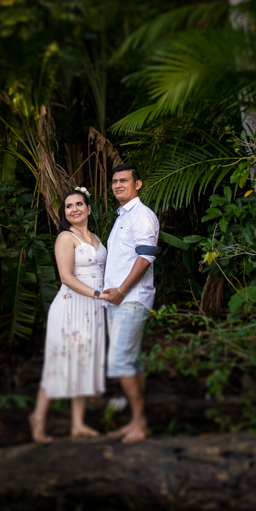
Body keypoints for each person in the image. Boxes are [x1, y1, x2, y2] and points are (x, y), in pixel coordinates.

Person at [29, 187, 107, 444]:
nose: (74, 209)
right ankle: (38, 419)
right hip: (72, 308)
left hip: (93, 310)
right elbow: (66, 277)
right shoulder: (66, 237)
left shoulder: (95, 237)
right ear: (65, 213)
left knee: (84, 362)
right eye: (68, 206)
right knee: (59, 363)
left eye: (78, 204)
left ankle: (78, 424)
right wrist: (97, 294)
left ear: (88, 208)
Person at [100, 163, 159, 444]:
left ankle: (139, 422)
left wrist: (122, 290)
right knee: (132, 361)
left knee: (120, 361)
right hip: (117, 301)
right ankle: (138, 421)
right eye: (114, 181)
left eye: (124, 180)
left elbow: (145, 257)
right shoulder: (122, 217)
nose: (118, 185)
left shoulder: (142, 216)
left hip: (131, 299)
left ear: (138, 184)